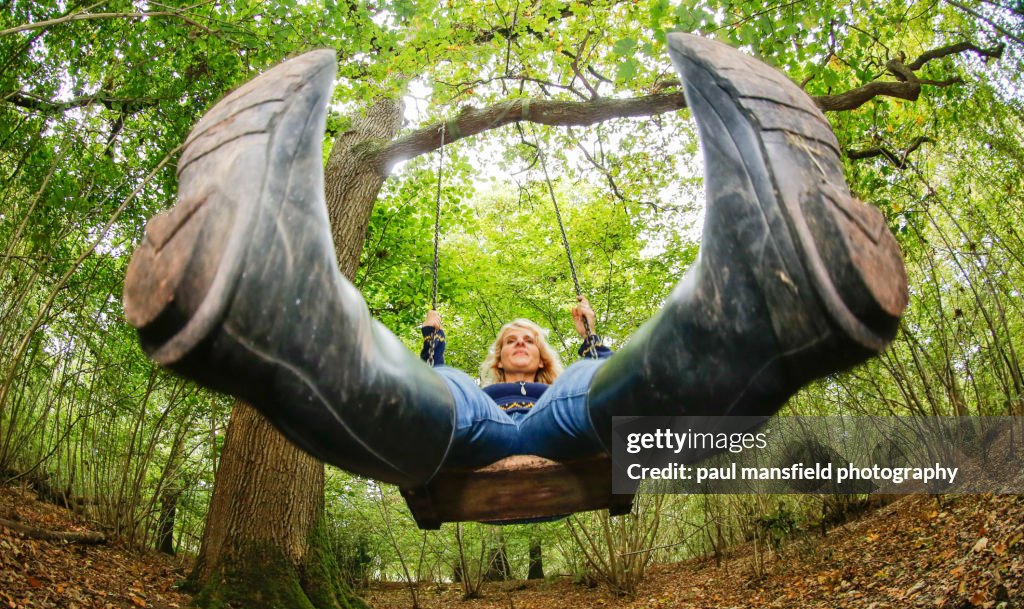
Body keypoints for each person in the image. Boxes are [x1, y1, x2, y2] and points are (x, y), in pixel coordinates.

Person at [122, 34, 907, 491]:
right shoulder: (474, 377)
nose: (522, 339)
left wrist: (592, 336)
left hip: (568, 423)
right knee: (438, 394)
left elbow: (605, 374)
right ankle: (279, 301)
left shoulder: (573, 375)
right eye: (514, 336)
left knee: (600, 395)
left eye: (531, 334)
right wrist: (436, 341)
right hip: (471, 424)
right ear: (501, 351)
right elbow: (437, 378)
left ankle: (758, 294)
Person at [418, 296, 612, 466]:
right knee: (453, 380)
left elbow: (607, 381)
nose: (520, 342)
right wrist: (432, 341)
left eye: (529, 341)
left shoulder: (556, 397)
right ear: (500, 362)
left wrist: (589, 335)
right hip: (490, 430)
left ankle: (635, 456)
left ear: (542, 361)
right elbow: (437, 394)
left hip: (549, 427)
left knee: (583, 374)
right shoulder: (480, 400)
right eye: (510, 341)